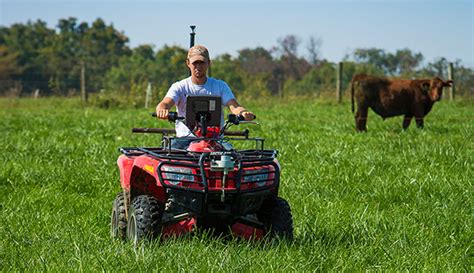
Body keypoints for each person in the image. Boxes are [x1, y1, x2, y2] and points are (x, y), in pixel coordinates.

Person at [155, 45, 255, 148]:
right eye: (195, 63)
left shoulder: (220, 86)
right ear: (188, 63)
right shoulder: (180, 87)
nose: (198, 67)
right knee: (170, 153)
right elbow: (166, 103)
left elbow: (234, 106)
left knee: (231, 155)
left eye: (202, 62)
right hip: (185, 140)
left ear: (208, 63)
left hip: (215, 139)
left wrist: (243, 113)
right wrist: (162, 109)